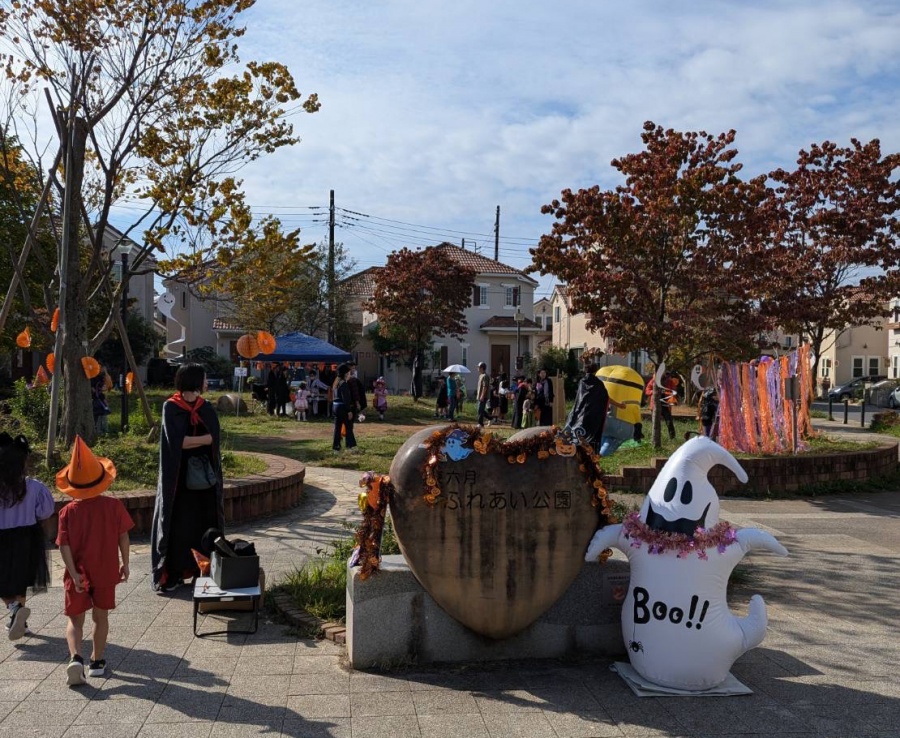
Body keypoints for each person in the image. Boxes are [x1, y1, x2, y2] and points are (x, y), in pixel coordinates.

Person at [55, 436, 133, 685]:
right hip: (106, 570)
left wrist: (73, 573)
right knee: (101, 617)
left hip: (78, 571)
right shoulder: (114, 506)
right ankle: (97, 662)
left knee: (75, 619)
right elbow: (123, 537)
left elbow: (63, 545)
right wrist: (125, 563)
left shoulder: (67, 512)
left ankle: (76, 658)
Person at [151, 363, 224, 593]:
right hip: (179, 481)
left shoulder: (206, 407)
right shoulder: (171, 407)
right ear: (194, 381)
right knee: (178, 526)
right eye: (204, 378)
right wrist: (201, 440)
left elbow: (214, 438)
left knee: (203, 524)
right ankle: (173, 573)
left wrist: (193, 441)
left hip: (205, 480)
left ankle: (201, 570)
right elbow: (176, 443)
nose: (206, 382)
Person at [0, 433, 53, 642]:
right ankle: (20, 620)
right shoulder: (35, 487)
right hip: (27, 536)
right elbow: (45, 512)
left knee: (3, 580)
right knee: (20, 578)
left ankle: (14, 609)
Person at [566, 362, 624, 453]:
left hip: (580, 413)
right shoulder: (598, 383)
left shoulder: (582, 381)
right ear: (596, 371)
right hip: (593, 414)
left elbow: (579, 399)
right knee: (591, 437)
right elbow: (606, 398)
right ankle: (590, 453)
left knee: (578, 432)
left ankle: (576, 449)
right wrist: (619, 405)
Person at [332, 363, 358, 453]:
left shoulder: (336, 383)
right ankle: (351, 446)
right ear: (345, 373)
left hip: (335, 406)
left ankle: (336, 447)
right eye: (349, 372)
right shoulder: (344, 384)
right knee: (348, 427)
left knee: (337, 428)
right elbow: (346, 399)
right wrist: (349, 411)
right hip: (342, 407)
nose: (349, 374)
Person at [91, 371, 111, 436]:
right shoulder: (97, 382)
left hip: (99, 402)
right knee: (99, 417)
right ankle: (101, 431)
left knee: (99, 417)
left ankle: (100, 431)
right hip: (98, 402)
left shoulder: (98, 381)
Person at [476, 362, 490, 426]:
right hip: (479, 395)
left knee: (480, 409)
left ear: (481, 368)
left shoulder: (485, 376)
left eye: (478, 367)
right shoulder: (480, 375)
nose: (477, 368)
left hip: (483, 396)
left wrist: (482, 395)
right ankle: (491, 418)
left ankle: (480, 423)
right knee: (480, 409)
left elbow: (485, 386)